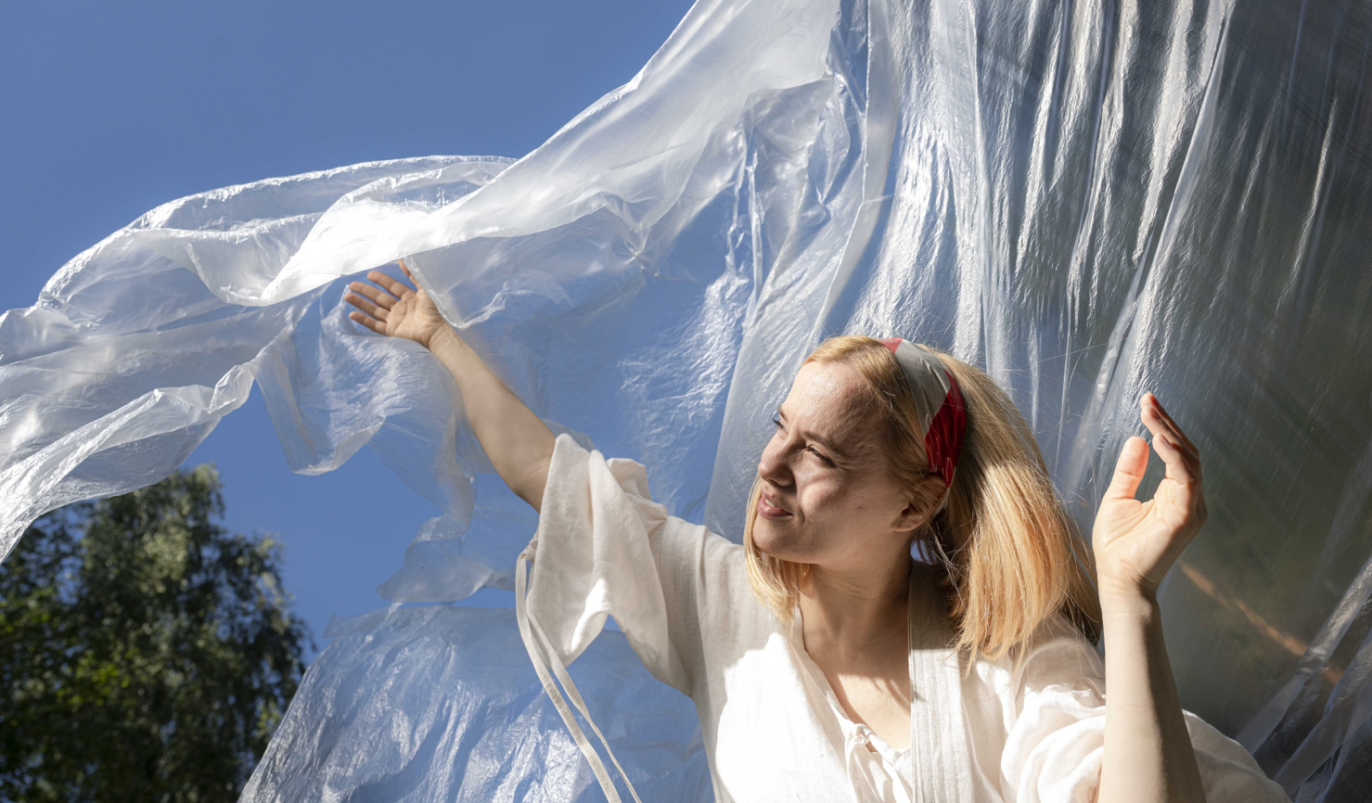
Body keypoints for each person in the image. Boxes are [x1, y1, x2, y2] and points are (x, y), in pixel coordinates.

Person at [344, 261, 1289, 803]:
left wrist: (1127, 597)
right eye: (779, 429)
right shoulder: (720, 607)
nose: (773, 465)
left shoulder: (1008, 658)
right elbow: (547, 474)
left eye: (821, 455)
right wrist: (437, 335)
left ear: (914, 506)